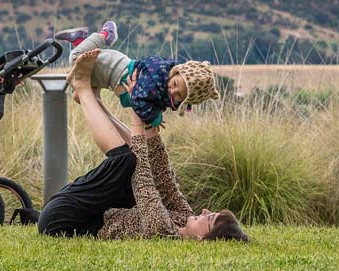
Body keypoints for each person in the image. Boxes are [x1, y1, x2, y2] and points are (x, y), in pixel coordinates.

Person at [38, 49, 249, 242]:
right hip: (89, 211)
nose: (203, 210)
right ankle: (93, 102)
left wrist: (136, 116)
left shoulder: (165, 231)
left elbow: (144, 183)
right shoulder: (186, 217)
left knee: (127, 161)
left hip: (62, 221)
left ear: (204, 237)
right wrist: (150, 124)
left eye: (209, 218)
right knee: (140, 154)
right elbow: (165, 180)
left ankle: (82, 87)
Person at [55, 22, 220, 129]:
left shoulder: (163, 84)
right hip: (114, 67)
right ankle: (104, 35)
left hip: (110, 78)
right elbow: (139, 102)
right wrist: (155, 119)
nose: (173, 91)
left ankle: (79, 42)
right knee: (75, 59)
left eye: (179, 96)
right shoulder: (156, 77)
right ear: (175, 73)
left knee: (81, 94)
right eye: (175, 85)